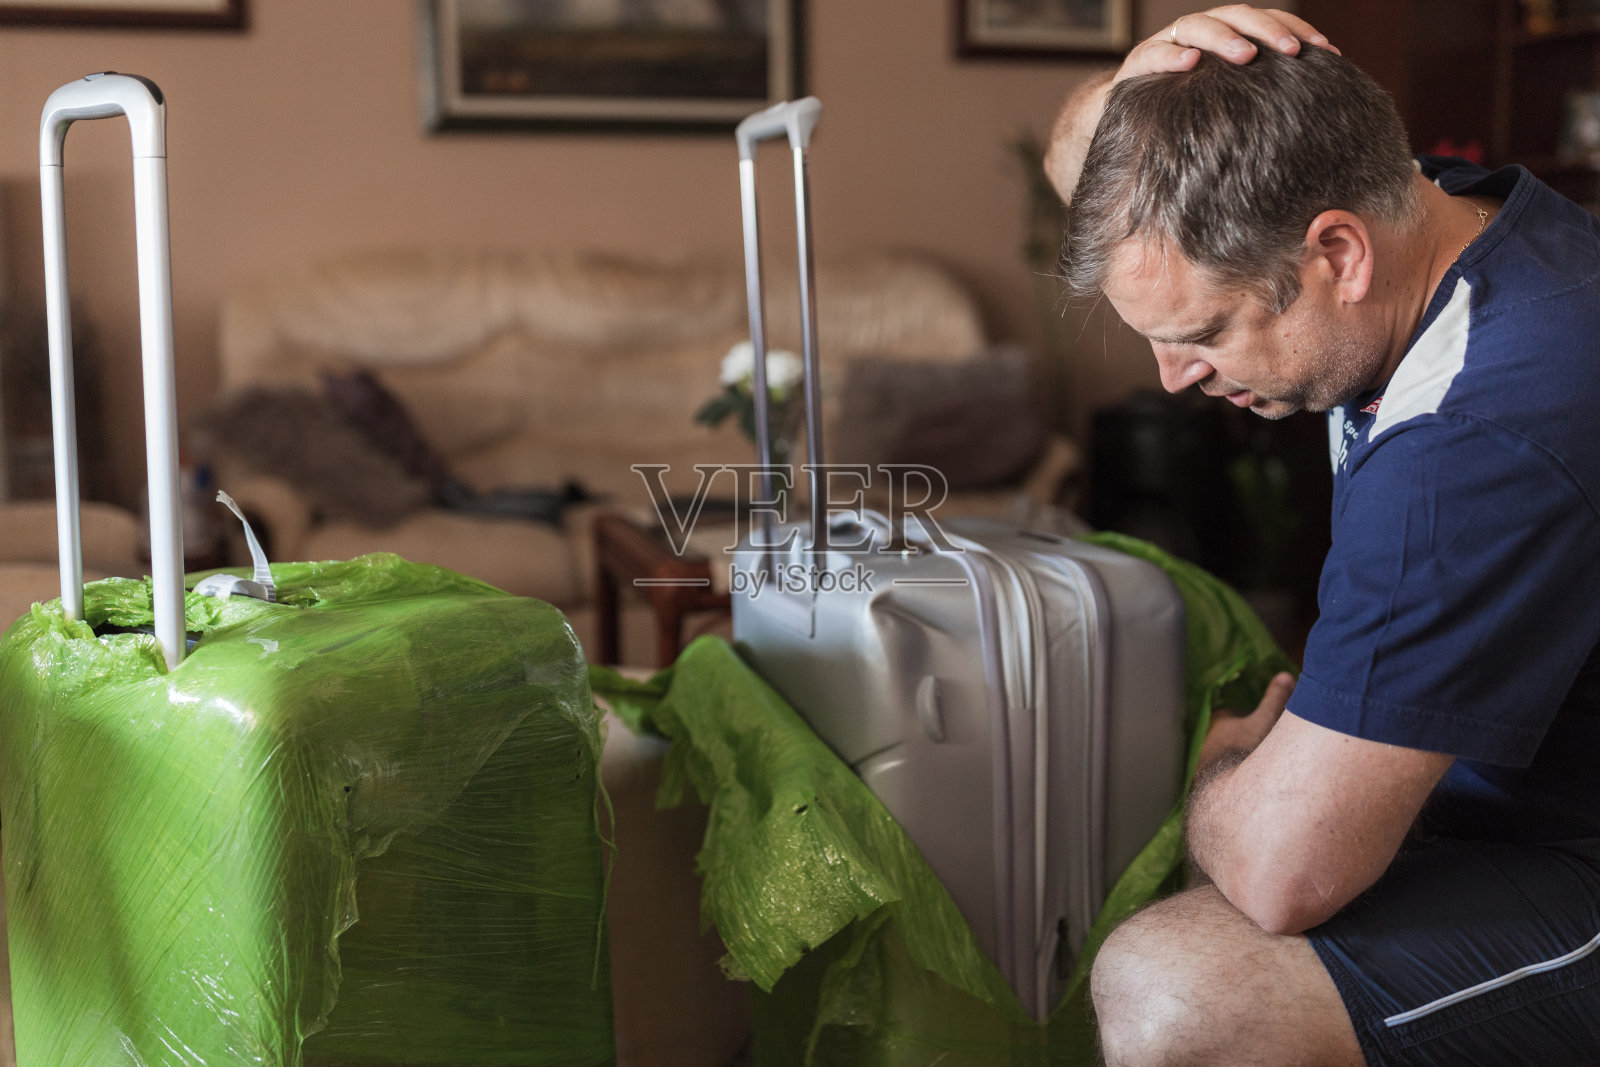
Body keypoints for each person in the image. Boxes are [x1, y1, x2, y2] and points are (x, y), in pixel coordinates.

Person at [1047, 7, 1600, 1066]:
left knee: (1173, 990)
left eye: (1204, 332)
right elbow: (1074, 157)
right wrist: (1154, 81)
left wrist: (1225, 768)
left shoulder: (1472, 443)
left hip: (1571, 852)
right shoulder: (1419, 210)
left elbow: (1279, 871)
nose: (1176, 376)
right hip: (1526, 795)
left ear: (1337, 254)